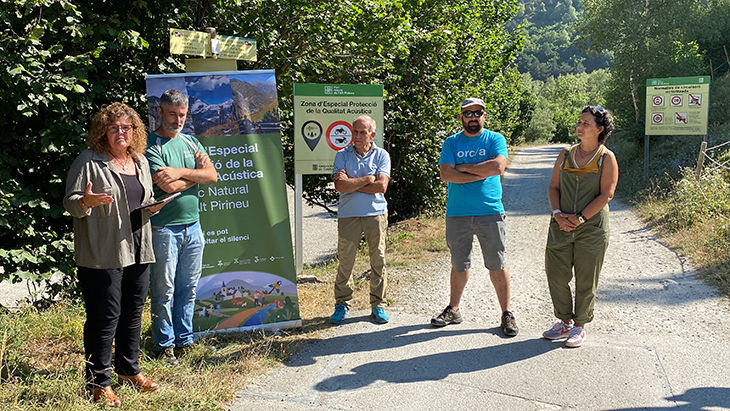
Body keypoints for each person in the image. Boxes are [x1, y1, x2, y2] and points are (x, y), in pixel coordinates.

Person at [64, 103, 166, 407]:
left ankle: (129, 371)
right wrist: (87, 201)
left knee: (133, 314)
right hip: (102, 253)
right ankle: (99, 382)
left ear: (134, 131)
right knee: (104, 318)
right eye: (114, 128)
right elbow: (70, 203)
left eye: (126, 127)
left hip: (139, 249)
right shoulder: (88, 162)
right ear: (103, 132)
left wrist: (154, 206)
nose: (121, 132)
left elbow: (143, 199)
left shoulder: (140, 162)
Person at [431, 97, 519, 337]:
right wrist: (479, 170)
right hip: (458, 212)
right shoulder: (451, 142)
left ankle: (507, 314)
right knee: (459, 264)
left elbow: (497, 168)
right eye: (468, 113)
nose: (472, 117)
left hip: (490, 211)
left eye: (477, 112)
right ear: (461, 117)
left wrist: (462, 168)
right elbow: (446, 174)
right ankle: (454, 309)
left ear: (484, 115)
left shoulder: (495, 139)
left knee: (497, 264)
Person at [145, 89, 217, 365]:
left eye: (183, 115)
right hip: (163, 229)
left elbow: (213, 175)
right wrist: (193, 176)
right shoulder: (151, 145)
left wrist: (179, 171)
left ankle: (184, 340)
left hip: (193, 227)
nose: (178, 120)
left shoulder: (189, 141)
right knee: (163, 291)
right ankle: (164, 345)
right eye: (172, 114)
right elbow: (168, 186)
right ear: (160, 113)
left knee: (188, 288)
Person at [542, 105, 618, 348]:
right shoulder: (565, 154)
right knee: (556, 273)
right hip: (560, 224)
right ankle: (564, 321)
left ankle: (579, 326)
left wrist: (580, 218)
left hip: (592, 227)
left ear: (600, 129)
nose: (580, 125)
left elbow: (607, 194)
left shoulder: (607, 158)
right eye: (579, 121)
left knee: (586, 278)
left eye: (586, 123)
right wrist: (557, 214)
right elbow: (553, 187)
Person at [330, 115, 391, 324]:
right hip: (348, 215)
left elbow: (381, 187)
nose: (356, 136)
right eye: (354, 131)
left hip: (376, 214)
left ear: (372, 134)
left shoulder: (382, 155)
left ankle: (378, 304)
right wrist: (367, 179)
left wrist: (351, 183)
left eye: (362, 132)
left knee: (379, 260)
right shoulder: (342, 154)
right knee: (346, 261)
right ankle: (342, 303)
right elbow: (340, 186)